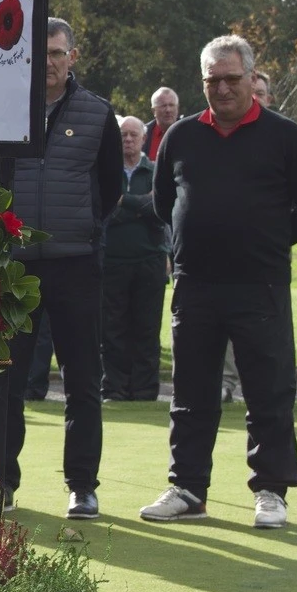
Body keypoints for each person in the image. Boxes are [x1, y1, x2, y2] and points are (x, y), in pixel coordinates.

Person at [140, 34, 297, 530]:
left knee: (268, 392)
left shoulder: (285, 136)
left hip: (259, 284)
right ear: (202, 82)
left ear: (251, 77)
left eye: (231, 79)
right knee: (190, 392)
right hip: (195, 283)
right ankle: (188, 488)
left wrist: (266, 240)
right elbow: (165, 203)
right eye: (212, 81)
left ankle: (271, 489)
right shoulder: (180, 135)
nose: (222, 89)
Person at [0, 18, 121, 521]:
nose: (47, 62)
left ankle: (82, 486)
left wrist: (84, 229)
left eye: (56, 52)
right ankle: (1, 479)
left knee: (82, 380)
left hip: (75, 265)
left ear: (73, 56)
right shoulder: (3, 109)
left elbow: (109, 188)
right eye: (40, 53)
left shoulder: (98, 113)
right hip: (16, 267)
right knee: (6, 380)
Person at [101, 115, 167, 401]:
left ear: (143, 138)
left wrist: (125, 201)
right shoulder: (107, 171)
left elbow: (158, 210)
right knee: (112, 330)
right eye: (123, 135)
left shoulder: (155, 170)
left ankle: (144, 389)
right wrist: (139, 207)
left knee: (146, 329)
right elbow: (105, 212)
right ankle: (114, 388)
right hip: (113, 261)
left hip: (149, 262)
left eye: (133, 135)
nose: (128, 139)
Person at [147, 86, 178, 161]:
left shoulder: (188, 132)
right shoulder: (143, 134)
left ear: (177, 108)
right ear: (154, 111)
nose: (168, 110)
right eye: (163, 106)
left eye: (171, 105)